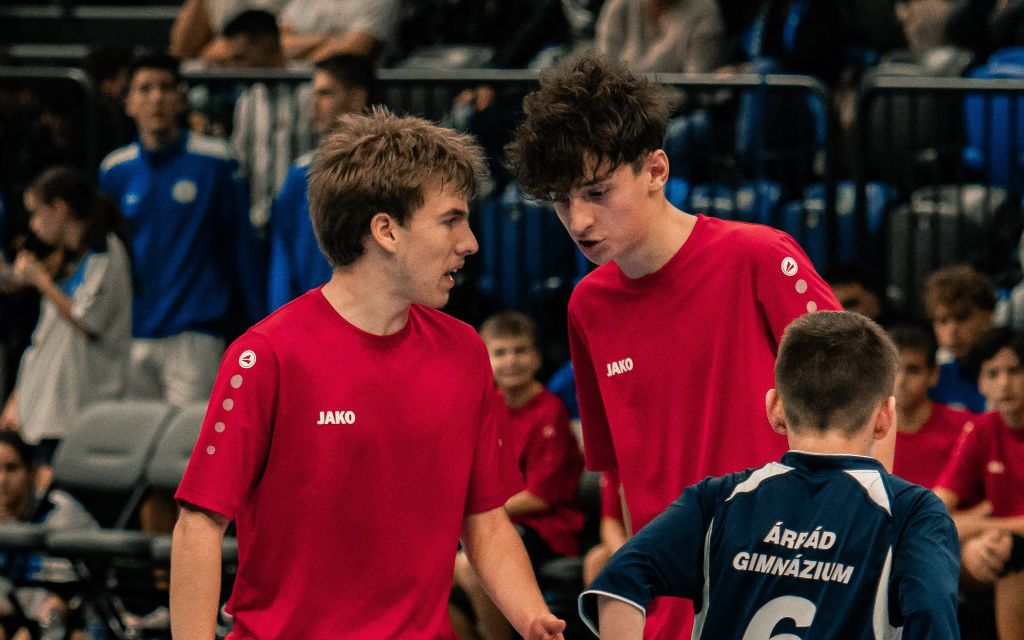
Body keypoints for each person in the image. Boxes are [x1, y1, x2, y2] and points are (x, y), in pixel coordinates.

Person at [170, 107, 567, 639]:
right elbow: (199, 526)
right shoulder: (265, 356)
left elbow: (486, 522)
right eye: (451, 220)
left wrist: (534, 619)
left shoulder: (465, 352)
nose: (470, 242)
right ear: (386, 230)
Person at [504, 52, 840, 637]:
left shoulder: (759, 256)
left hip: (787, 589)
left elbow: (860, 412)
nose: (578, 221)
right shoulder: (587, 306)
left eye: (597, 192)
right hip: (667, 606)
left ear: (656, 169)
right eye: (561, 200)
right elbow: (619, 470)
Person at [580, 310, 961, 639]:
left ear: (775, 408)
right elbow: (931, 617)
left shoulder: (717, 498)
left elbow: (618, 583)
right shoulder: (913, 512)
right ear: (885, 417)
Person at [98, 52, 266, 405]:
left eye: (165, 87)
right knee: (136, 435)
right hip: (131, 332)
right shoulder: (114, 170)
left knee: (190, 437)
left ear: (181, 98)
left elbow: (242, 248)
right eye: (145, 89)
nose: (156, 98)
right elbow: (107, 255)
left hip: (196, 333)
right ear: (128, 102)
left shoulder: (216, 161)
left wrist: (257, 326)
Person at [454, 311, 584, 640]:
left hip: (548, 529)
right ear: (484, 360)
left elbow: (539, 498)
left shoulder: (550, 411)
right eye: (500, 352)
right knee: (430, 570)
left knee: (469, 566)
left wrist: (469, 510)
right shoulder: (484, 406)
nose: (511, 361)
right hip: (492, 520)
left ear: (537, 357)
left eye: (520, 350)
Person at [0, 167, 131, 460]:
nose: (33, 225)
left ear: (59, 208)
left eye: (36, 213)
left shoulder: (104, 252)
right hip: (47, 410)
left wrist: (40, 280)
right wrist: (19, 397)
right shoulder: (69, 259)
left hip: (81, 411)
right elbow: (44, 341)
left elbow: (88, 321)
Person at [934, 326, 1024, 640]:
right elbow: (933, 510)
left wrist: (975, 526)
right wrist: (972, 540)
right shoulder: (982, 428)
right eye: (993, 373)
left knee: (1011, 550)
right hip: (994, 546)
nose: (1005, 383)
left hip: (1010, 548)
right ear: (981, 383)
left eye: (1015, 371)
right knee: (963, 551)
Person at [267, 53, 374, 311]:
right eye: (313, 94)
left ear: (357, 97)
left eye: (325, 94)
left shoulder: (397, 174)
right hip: (310, 319)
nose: (313, 105)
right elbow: (283, 258)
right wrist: (282, 318)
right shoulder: (300, 174)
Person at [222, 9, 314, 232]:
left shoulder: (313, 90)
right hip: (258, 223)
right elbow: (241, 163)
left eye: (240, 58)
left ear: (267, 45)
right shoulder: (247, 100)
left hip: (308, 223)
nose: (235, 69)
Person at [0, 431, 98, 640]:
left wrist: (32, 632)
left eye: (11, 468)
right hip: (17, 619)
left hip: (71, 622)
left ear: (32, 471)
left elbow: (63, 600)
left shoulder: (60, 511)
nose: (2, 479)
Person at [888, 324, 976, 488]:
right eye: (893, 369)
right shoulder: (865, 432)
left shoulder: (966, 427)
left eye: (913, 370)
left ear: (933, 374)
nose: (900, 381)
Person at [924, 265, 995, 414]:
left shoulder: (1014, 370)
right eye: (942, 320)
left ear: (987, 317)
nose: (952, 331)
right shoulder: (929, 378)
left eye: (961, 317)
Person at [595, 0, 724, 73]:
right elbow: (605, 67)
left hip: (677, 107)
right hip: (620, 104)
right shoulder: (618, 6)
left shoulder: (704, 10)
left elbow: (694, 79)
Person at [582, 470, 627, 587]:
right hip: (630, 542)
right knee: (596, 560)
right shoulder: (615, 467)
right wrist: (626, 558)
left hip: (662, 541)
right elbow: (610, 521)